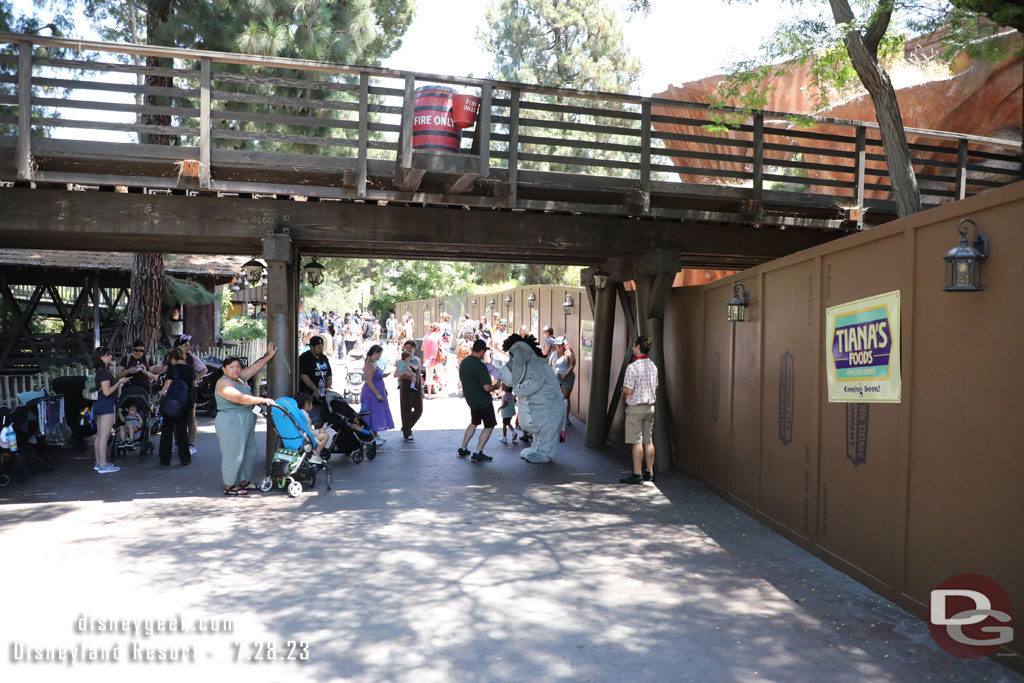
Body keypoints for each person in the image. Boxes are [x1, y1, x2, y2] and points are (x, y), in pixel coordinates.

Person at [215, 345, 277, 496]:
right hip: (231, 421)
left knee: (250, 451)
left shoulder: (239, 379)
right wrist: (260, 400)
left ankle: (244, 480)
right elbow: (239, 398)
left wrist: (268, 357)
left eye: (237, 367)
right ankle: (229, 485)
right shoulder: (224, 383)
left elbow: (253, 368)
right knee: (233, 454)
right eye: (231, 367)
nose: (236, 370)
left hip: (245, 420)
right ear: (224, 369)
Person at [619, 336, 659, 485]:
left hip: (635, 408)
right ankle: (650, 471)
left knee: (636, 442)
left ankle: (637, 474)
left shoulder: (632, 367)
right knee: (648, 441)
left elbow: (629, 390)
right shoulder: (652, 366)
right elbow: (656, 386)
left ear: (637, 347)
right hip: (650, 407)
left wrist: (622, 390)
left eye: (634, 345)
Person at [160, 334, 207, 456]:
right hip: (174, 393)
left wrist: (195, 379)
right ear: (179, 347)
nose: (188, 347)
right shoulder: (169, 358)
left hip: (189, 391)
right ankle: (178, 444)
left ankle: (191, 444)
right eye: (186, 345)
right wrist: (164, 369)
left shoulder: (192, 359)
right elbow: (157, 369)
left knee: (191, 417)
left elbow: (203, 369)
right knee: (176, 415)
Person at [456, 339, 498, 462]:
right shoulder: (480, 366)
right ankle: (478, 451)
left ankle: (463, 448)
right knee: (489, 425)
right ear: (481, 351)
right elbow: (486, 387)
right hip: (483, 401)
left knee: (474, 422)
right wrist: (495, 386)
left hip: (471, 400)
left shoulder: (464, 363)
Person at [91, 347, 129, 473]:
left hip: (98, 404)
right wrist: (119, 383)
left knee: (99, 435)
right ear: (102, 357)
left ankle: (98, 462)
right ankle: (103, 464)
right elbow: (107, 392)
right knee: (104, 436)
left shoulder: (100, 371)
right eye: (108, 355)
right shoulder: (104, 373)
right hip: (106, 404)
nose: (110, 357)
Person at [159, 345, 195, 467]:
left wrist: (161, 394)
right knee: (182, 430)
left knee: (167, 431)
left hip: (171, 403)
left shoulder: (172, 369)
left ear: (174, 358)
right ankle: (185, 458)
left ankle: (165, 459)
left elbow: (167, 386)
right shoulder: (190, 369)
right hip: (185, 402)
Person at [360, 344, 394, 446]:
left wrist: (384, 375)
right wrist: (377, 394)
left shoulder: (373, 363)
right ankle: (372, 436)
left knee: (377, 414)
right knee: (373, 414)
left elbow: (376, 376)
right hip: (371, 394)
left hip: (376, 392)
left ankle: (376, 434)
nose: (380, 356)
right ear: (375, 353)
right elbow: (369, 382)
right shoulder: (370, 364)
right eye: (379, 354)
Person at [395, 340, 423, 443]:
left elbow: (419, 374)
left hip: (417, 388)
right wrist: (405, 375)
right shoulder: (401, 361)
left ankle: (406, 426)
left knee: (419, 410)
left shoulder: (417, 360)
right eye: (406, 348)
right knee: (405, 410)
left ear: (415, 349)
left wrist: (422, 389)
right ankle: (407, 433)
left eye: (410, 348)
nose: (408, 349)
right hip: (406, 388)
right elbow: (398, 374)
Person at [550, 336, 577, 438]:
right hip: (556, 377)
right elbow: (551, 363)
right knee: (557, 397)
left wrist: (565, 374)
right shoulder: (554, 353)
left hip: (567, 377)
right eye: (557, 345)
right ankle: (558, 416)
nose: (558, 347)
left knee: (565, 397)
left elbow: (571, 365)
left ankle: (566, 417)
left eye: (560, 345)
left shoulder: (569, 353)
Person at [296, 392, 330, 462]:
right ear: (307, 404)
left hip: (299, 437)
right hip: (305, 439)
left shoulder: (297, 413)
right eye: (311, 403)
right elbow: (308, 432)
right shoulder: (305, 417)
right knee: (325, 436)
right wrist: (319, 432)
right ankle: (314, 456)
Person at [422, 323, 446, 395]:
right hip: (436, 359)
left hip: (427, 360)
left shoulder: (426, 336)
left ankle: (429, 395)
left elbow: (422, 348)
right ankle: (442, 393)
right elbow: (442, 346)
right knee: (440, 375)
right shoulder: (438, 335)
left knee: (429, 376)